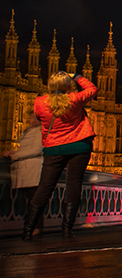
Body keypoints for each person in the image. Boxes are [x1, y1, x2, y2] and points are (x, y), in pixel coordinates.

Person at [24, 71, 97, 240]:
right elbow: (92, 89)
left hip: (54, 148)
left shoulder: (39, 102)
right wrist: (77, 76)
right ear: (69, 86)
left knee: (44, 188)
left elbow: (39, 117)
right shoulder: (75, 99)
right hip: (79, 146)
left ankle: (28, 230)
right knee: (73, 186)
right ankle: (67, 230)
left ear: (50, 86)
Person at [4, 105, 45, 238]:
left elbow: (36, 149)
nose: (29, 119)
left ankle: (35, 227)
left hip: (33, 169)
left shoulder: (40, 131)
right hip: (24, 169)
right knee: (27, 200)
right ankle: (29, 226)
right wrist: (14, 152)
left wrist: (15, 155)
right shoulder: (28, 131)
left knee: (33, 200)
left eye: (32, 117)